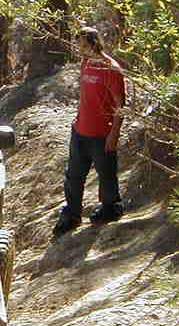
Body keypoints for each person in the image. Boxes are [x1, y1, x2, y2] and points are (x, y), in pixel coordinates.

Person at [53, 27, 126, 237]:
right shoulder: (85, 64)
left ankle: (110, 208)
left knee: (106, 174)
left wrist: (114, 135)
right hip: (80, 130)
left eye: (84, 45)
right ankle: (72, 214)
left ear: (94, 44)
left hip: (102, 133)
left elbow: (120, 105)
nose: (80, 50)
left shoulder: (111, 69)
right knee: (74, 175)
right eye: (79, 45)